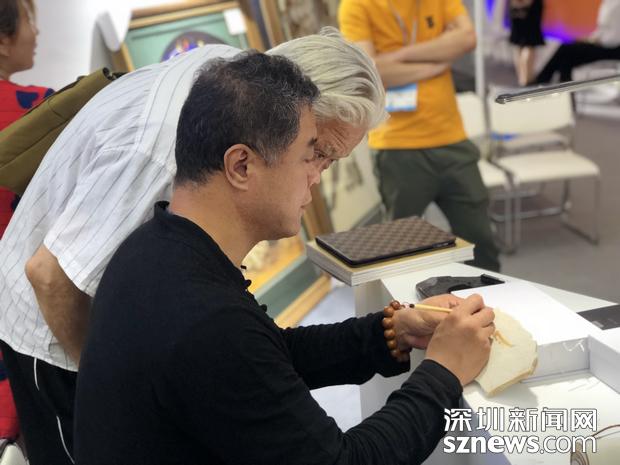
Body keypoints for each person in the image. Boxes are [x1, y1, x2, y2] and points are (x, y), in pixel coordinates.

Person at [73, 50, 495, 465]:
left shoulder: (154, 247)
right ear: (242, 165)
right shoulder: (207, 320)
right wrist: (444, 371)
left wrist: (392, 331)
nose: (315, 177)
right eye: (310, 155)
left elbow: (268, 355)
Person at [0, 27, 385, 465]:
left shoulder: (231, 82)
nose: (318, 174)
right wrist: (116, 397)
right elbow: (49, 276)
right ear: (295, 109)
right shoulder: (162, 149)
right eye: (318, 152)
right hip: (49, 332)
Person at [338, 0, 501, 272]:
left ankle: (492, 296)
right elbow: (369, 72)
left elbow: (467, 38)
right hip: (396, 147)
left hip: (452, 139)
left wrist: (399, 56)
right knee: (401, 251)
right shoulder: (357, 5)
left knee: (481, 242)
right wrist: (435, 64)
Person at [0, 0, 52, 445]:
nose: (37, 33)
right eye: (31, 21)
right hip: (28, 320)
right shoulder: (40, 113)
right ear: (3, 40)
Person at [534, 0, 620, 84]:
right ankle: (560, 83)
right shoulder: (608, 2)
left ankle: (543, 80)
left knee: (568, 50)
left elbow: (614, 37)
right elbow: (602, 29)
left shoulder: (617, 5)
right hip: (603, 43)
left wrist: (595, 41)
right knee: (568, 49)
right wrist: (589, 38)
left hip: (613, 50)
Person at [509, 0, 545, 86]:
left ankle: (524, 78)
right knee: (527, 47)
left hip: (520, 15)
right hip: (526, 16)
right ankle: (526, 79)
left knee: (522, 47)